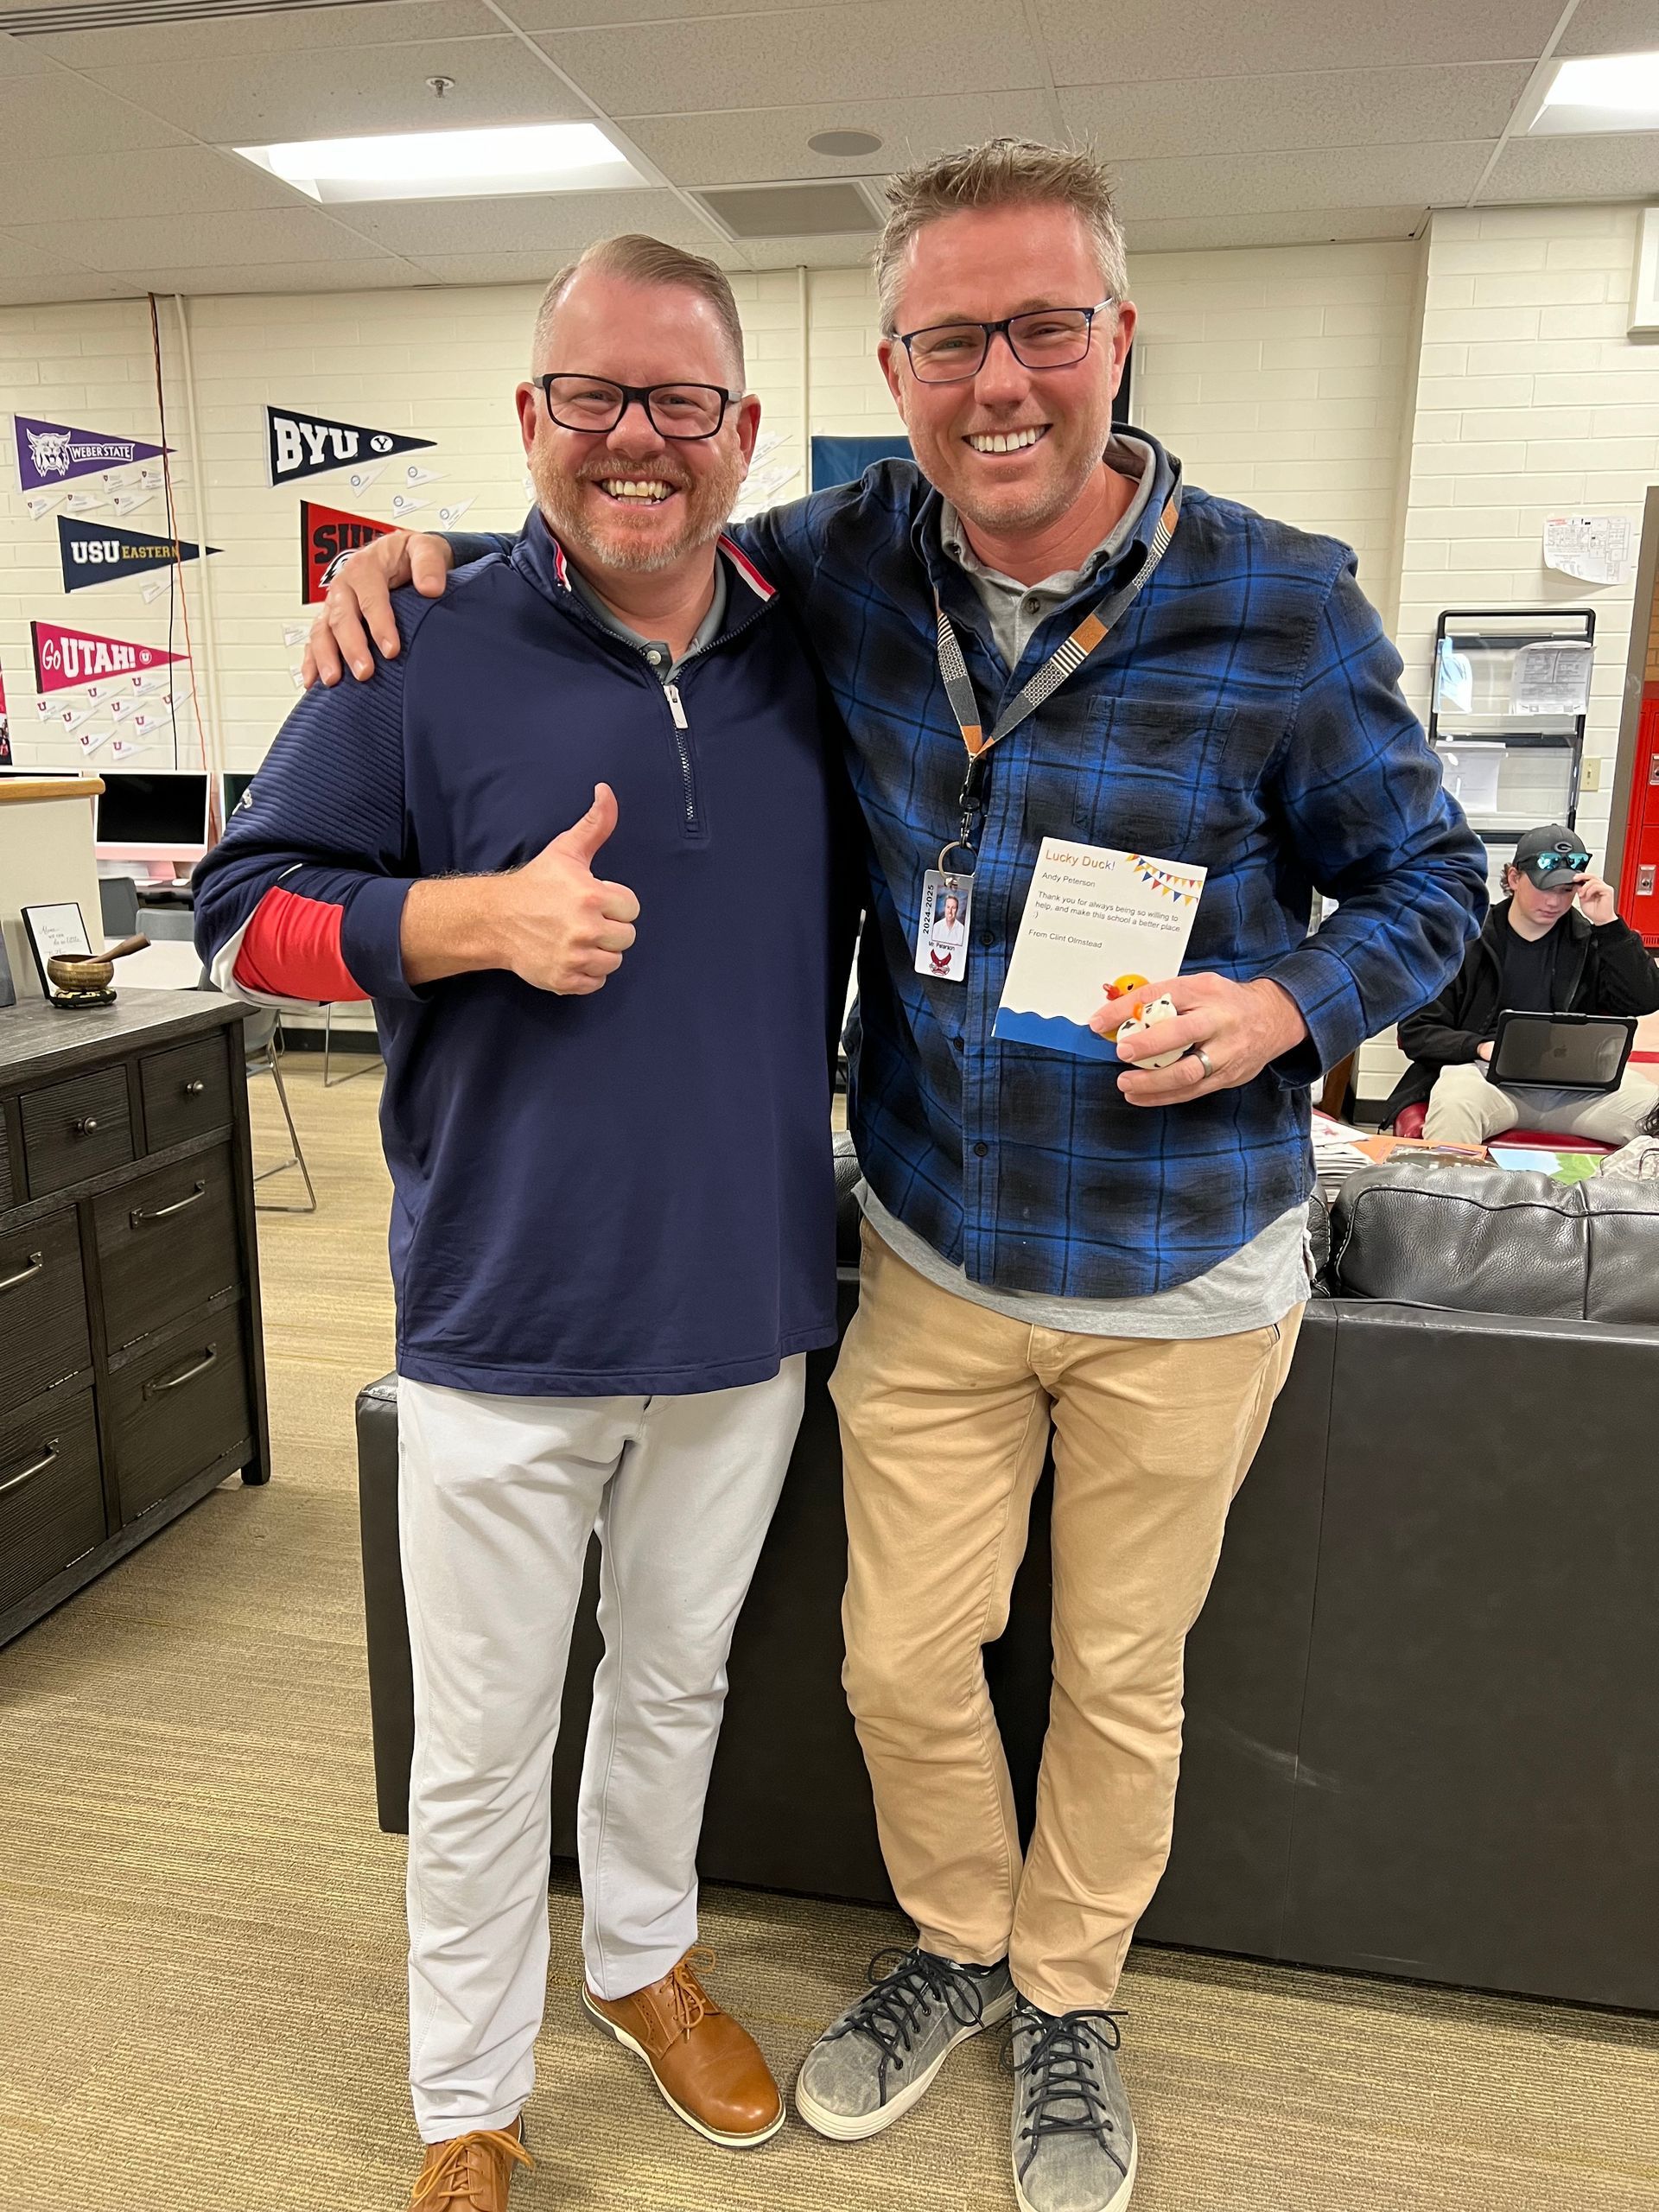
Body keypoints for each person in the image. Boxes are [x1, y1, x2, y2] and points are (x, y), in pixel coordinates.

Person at [304, 140, 1487, 2212]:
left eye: (1043, 327)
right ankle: (953, 1945)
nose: (1000, 379)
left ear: (1119, 337)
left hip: (1181, 1263)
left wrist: (1284, 1007)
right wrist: (407, 561)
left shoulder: (1278, 597)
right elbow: (609, 522)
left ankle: (1069, 1997)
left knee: (1116, 1679)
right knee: (893, 1661)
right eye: (952, 338)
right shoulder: (831, 566)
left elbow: (1429, 886)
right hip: (930, 1247)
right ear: (890, 366)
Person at [195, 237, 855, 2212]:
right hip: (502, 1305)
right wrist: (459, 918)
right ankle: (467, 2092)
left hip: (743, 1300)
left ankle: (644, 1959)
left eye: (678, 401)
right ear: (528, 420)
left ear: (742, 430)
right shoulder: (410, 650)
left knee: (676, 1679)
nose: (635, 439)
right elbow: (242, 913)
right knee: (480, 1745)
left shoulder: (820, 643)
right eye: (592, 396)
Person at [1387, 823, 1659, 1146]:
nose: (1555, 901)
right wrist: (1480, 1047)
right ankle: (1449, 1197)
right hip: (1485, 1077)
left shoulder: (1593, 940)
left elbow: (1644, 999)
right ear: (1514, 878)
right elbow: (1417, 1032)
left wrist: (1609, 924)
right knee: (1455, 1104)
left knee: (1652, 1111)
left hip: (1576, 1089)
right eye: (1545, 888)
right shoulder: (1464, 940)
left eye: (1565, 890)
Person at [926, 885, 967, 977]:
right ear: (944, 908)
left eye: (953, 908)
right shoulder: (936, 927)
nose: (950, 911)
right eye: (948, 907)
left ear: (957, 910)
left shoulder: (962, 929)